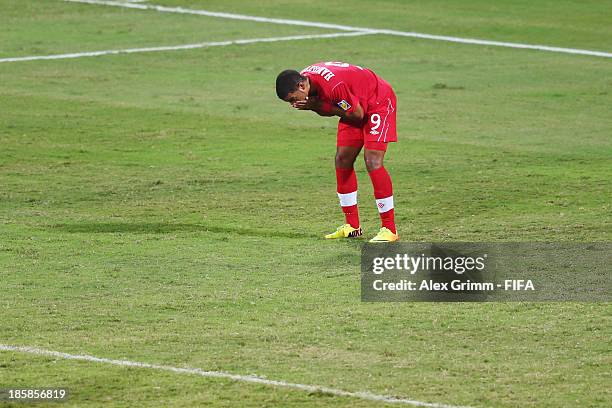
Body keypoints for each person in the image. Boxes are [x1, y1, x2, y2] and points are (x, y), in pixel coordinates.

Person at [275, 61, 399, 243]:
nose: (294, 103)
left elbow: (356, 114)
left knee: (372, 161)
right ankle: (352, 227)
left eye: (293, 98)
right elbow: (342, 109)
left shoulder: (333, 86)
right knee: (342, 159)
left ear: (301, 85)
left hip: (377, 102)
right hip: (353, 104)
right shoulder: (307, 81)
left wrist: (316, 106)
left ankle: (389, 228)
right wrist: (317, 106)